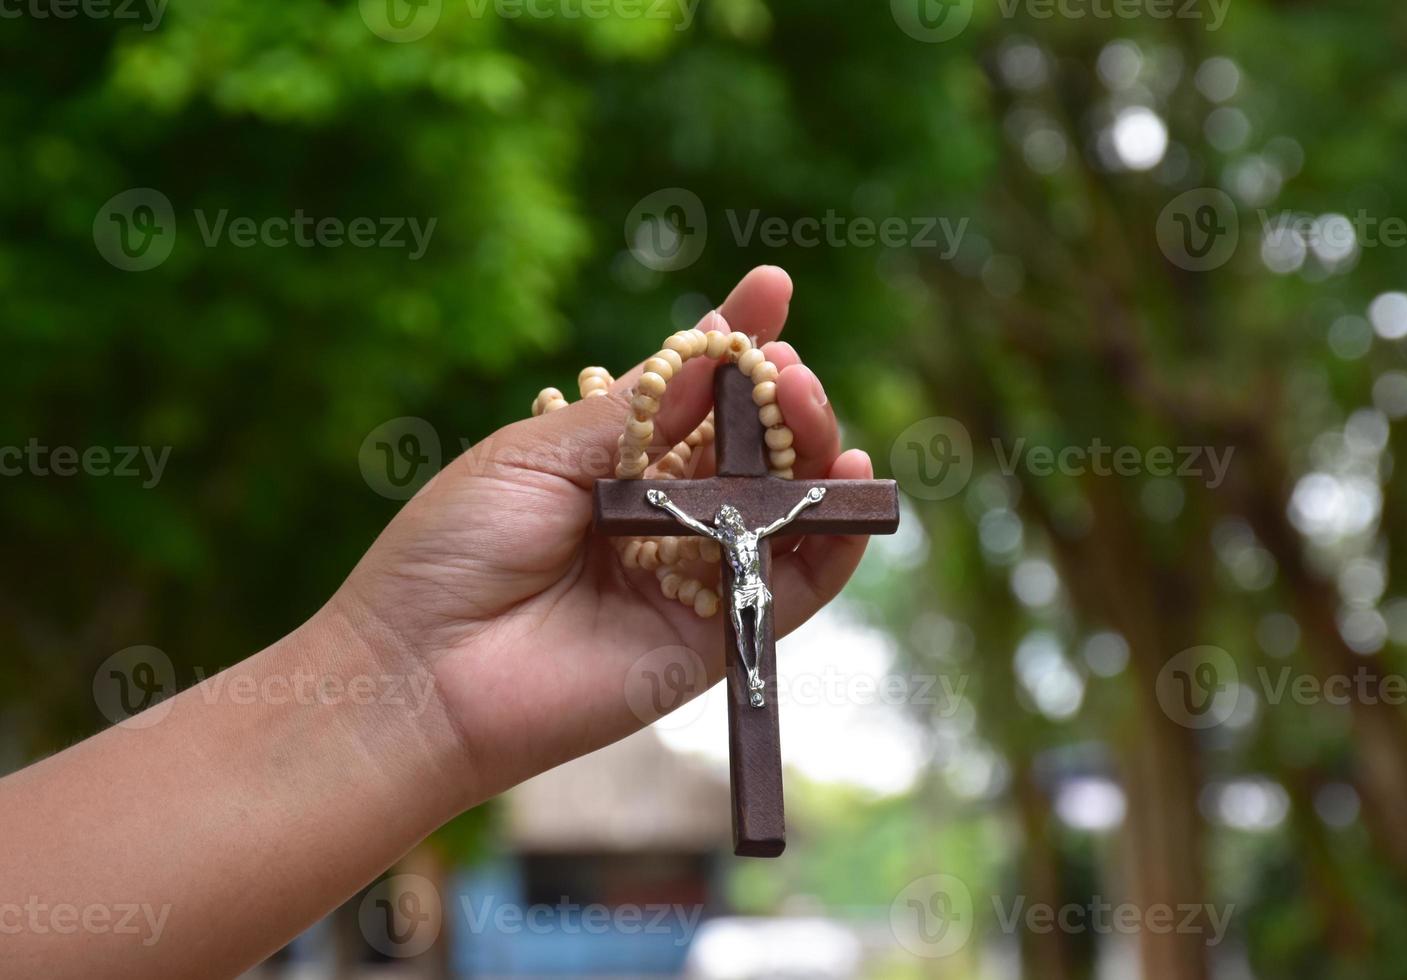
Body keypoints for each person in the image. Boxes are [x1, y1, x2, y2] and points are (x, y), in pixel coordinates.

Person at [0, 266, 874, 979]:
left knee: (751, 647)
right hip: (690, 558)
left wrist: (409, 687)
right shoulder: (684, 511)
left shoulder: (755, 518)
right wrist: (408, 680)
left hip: (732, 594)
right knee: (749, 644)